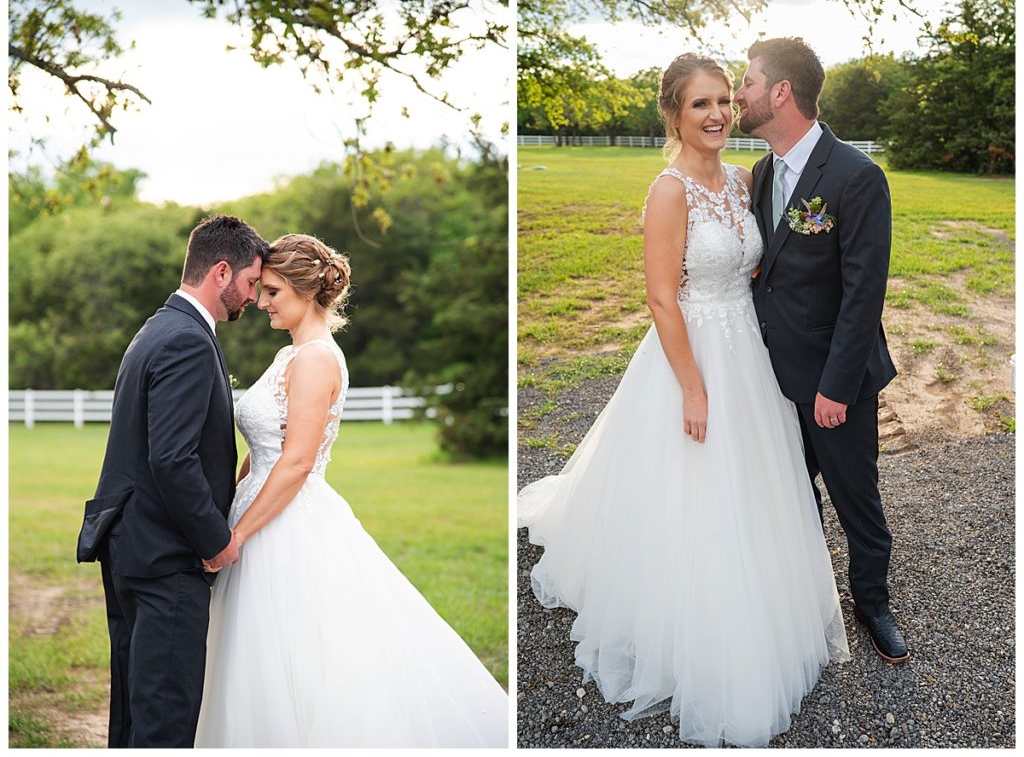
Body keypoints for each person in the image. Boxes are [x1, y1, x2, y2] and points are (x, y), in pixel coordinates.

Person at [517, 53, 849, 747]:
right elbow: (661, 299)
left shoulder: (742, 178)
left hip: (748, 353)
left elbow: (762, 265)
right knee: (691, 483)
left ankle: (762, 607)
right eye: (701, 104)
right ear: (675, 113)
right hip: (690, 350)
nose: (718, 115)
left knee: (756, 484)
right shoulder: (668, 192)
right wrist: (693, 386)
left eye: (726, 100)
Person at [194, 234, 508, 747]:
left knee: (300, 651)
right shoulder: (288, 355)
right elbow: (268, 446)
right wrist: (227, 505)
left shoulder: (316, 359)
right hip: (258, 506)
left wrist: (239, 534)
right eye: (262, 291)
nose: (261, 302)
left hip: (287, 522)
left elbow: (295, 462)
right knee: (253, 652)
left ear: (305, 290)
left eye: (273, 292)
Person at [736, 37, 907, 664]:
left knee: (855, 496)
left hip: (837, 381)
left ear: (781, 92)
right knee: (787, 492)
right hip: (769, 377)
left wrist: (835, 388)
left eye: (748, 81)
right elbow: (767, 273)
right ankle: (805, 595)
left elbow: (864, 295)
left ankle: (873, 602)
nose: (739, 93)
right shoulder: (759, 173)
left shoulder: (857, 176)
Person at [76, 214, 268, 747]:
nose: (253, 298)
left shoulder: (158, 327)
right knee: (164, 717)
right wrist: (216, 540)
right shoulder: (186, 339)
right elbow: (172, 459)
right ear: (222, 272)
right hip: (166, 557)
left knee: (136, 712)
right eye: (252, 283)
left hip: (133, 545)